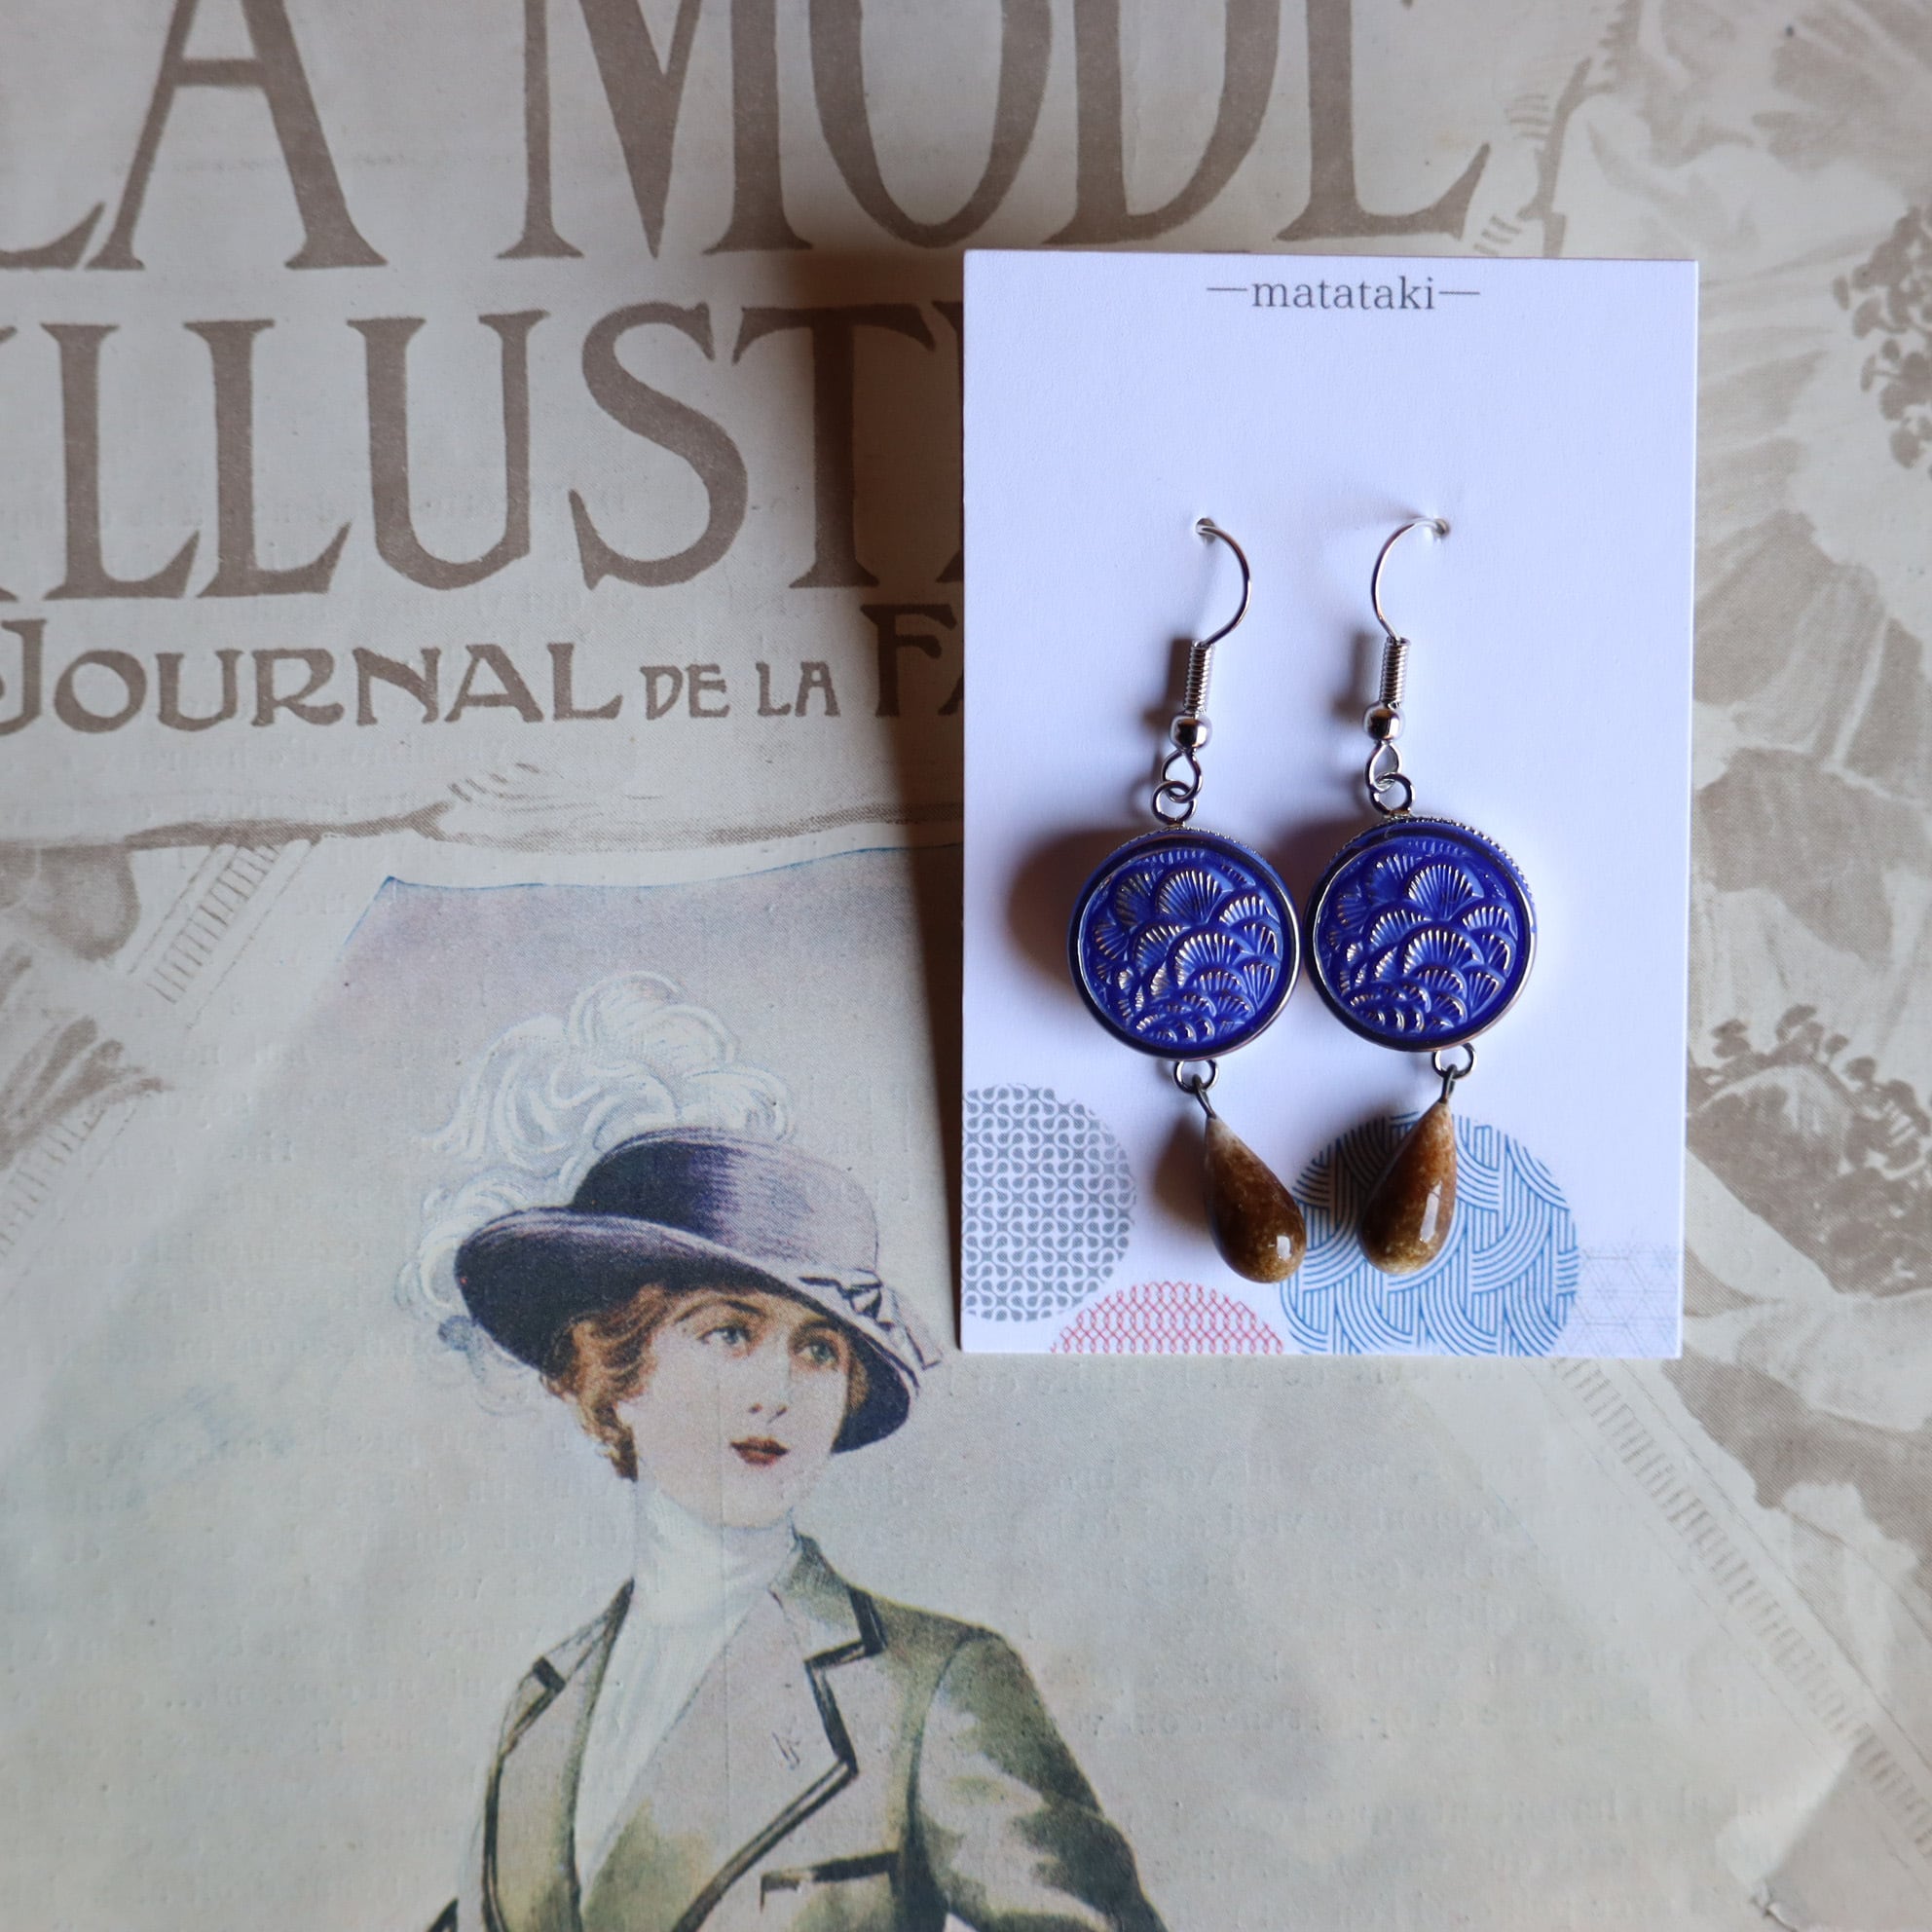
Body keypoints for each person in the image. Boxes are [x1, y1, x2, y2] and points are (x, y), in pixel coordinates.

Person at [433, 1128, 1166, 1932]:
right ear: (614, 1373)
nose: (779, 1392)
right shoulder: (543, 1701)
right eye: (729, 1333)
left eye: (818, 1350)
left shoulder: (929, 1686)